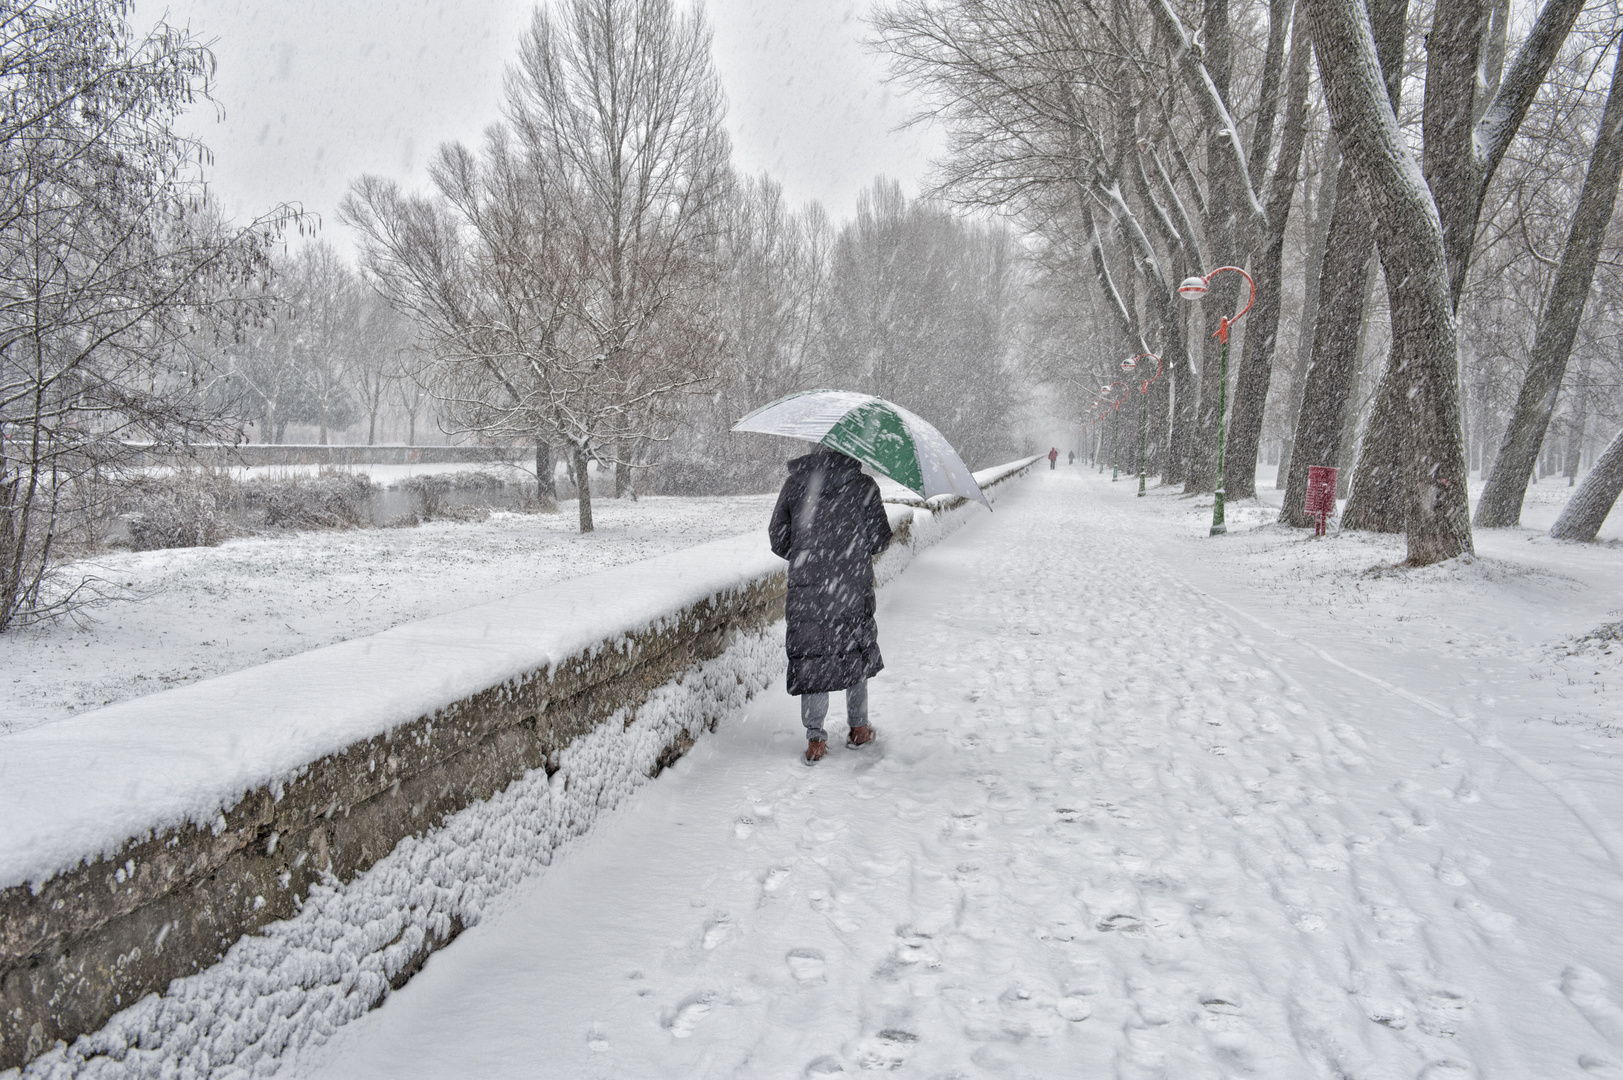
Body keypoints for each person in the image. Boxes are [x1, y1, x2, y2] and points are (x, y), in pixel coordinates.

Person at [769, 445, 892, 764]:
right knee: (854, 651)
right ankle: (859, 727)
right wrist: (848, 554)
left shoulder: (796, 483)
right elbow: (880, 539)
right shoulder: (863, 485)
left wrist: (810, 556)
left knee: (813, 654)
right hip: (851, 584)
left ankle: (815, 739)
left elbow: (778, 538)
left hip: (808, 586)